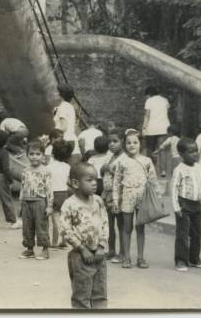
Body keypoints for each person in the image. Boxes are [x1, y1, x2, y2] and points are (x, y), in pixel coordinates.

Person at [59, 162, 108, 309]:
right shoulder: (69, 204)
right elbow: (65, 229)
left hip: (99, 255)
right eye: (89, 180)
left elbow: (105, 223)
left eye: (96, 179)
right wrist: (81, 248)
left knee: (100, 294)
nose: (95, 183)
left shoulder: (98, 201)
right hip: (80, 257)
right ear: (75, 183)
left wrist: (101, 246)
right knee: (81, 296)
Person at [112, 129, 159, 269]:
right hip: (127, 196)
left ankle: (140, 257)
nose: (132, 145)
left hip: (142, 197)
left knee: (140, 228)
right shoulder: (122, 162)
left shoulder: (147, 161)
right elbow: (116, 181)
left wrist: (158, 198)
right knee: (127, 228)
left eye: (135, 142)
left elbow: (153, 181)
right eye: (128, 143)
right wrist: (115, 200)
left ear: (140, 144)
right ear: (124, 144)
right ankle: (126, 257)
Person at [12, 139, 53, 260]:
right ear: (27, 154)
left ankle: (45, 250)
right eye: (31, 154)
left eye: (38, 154)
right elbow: (22, 188)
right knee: (27, 227)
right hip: (26, 202)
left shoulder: (46, 171)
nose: (34, 157)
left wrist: (50, 205)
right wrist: (20, 204)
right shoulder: (25, 171)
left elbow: (49, 190)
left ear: (43, 155)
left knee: (41, 226)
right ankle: (29, 249)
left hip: (40, 202)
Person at [172, 138, 201, 272]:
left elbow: (200, 186)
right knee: (183, 234)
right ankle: (180, 260)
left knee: (197, 234)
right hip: (184, 205)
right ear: (181, 154)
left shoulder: (198, 167)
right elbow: (174, 189)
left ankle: (194, 258)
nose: (195, 154)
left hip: (197, 204)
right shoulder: (179, 169)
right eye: (191, 152)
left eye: (196, 151)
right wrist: (176, 208)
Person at [101, 127, 126, 262]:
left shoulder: (124, 158)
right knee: (109, 224)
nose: (111, 144)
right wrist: (104, 168)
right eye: (109, 141)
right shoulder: (110, 156)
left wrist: (109, 169)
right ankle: (111, 250)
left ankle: (122, 252)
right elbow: (102, 171)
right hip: (107, 193)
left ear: (122, 141)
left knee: (120, 224)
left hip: (118, 195)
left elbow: (123, 175)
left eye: (115, 141)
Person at [48, 140, 73, 249]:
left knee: (55, 219)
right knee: (64, 219)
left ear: (53, 153)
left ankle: (54, 242)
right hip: (64, 194)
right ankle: (63, 241)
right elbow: (69, 181)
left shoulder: (49, 167)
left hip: (53, 194)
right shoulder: (68, 167)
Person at [53, 84, 81, 164]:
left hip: (64, 142)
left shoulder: (63, 106)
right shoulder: (69, 106)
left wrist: (50, 136)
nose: (55, 94)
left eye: (56, 92)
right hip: (71, 140)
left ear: (61, 94)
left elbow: (63, 128)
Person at [141, 86, 170, 158]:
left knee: (150, 150)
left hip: (151, 128)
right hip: (164, 128)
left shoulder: (149, 101)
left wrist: (144, 127)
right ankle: (162, 168)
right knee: (162, 150)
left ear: (149, 94)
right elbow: (167, 111)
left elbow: (147, 115)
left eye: (146, 96)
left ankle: (150, 166)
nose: (146, 98)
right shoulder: (165, 100)